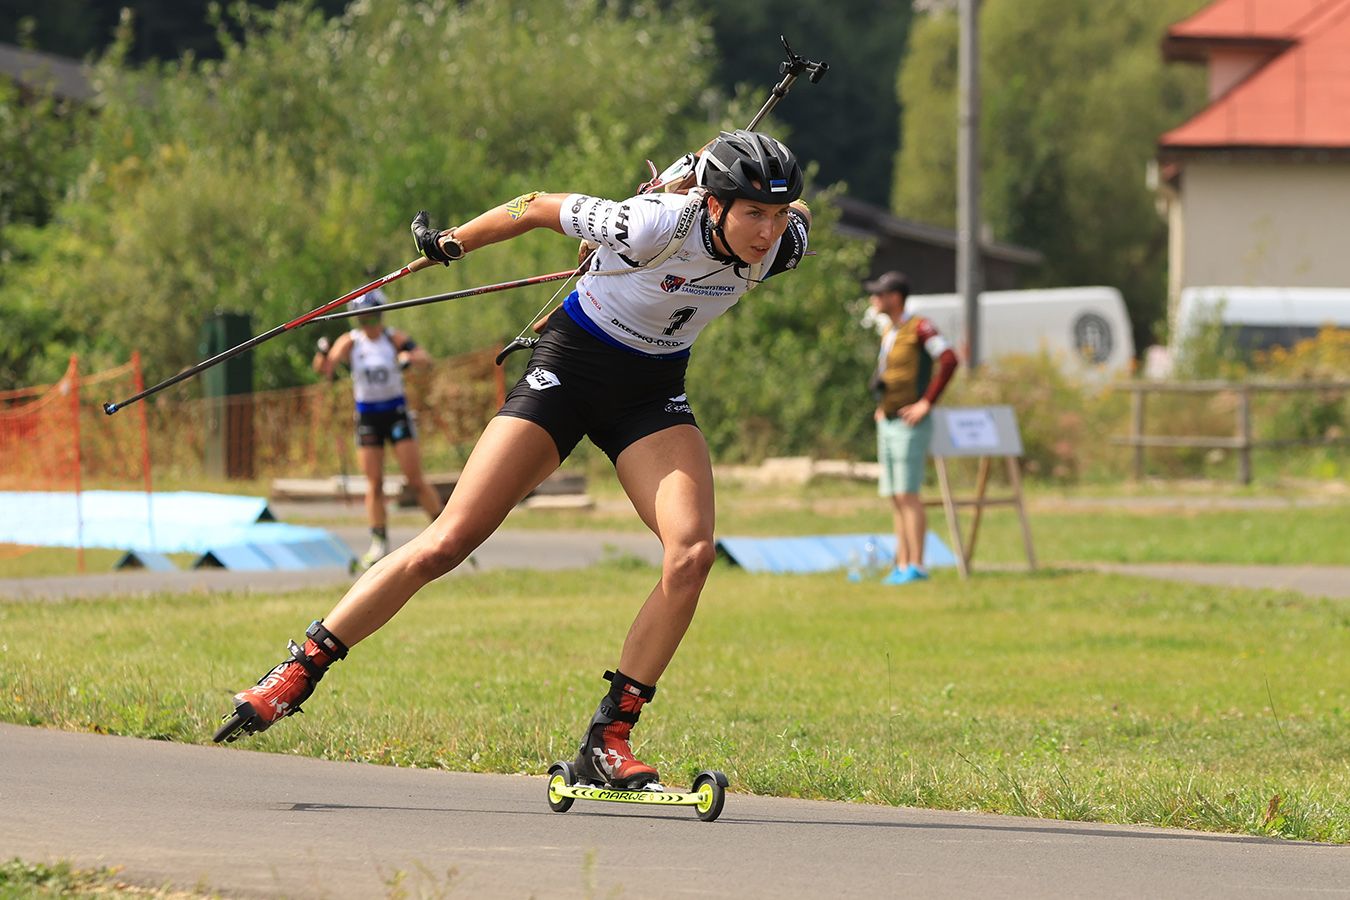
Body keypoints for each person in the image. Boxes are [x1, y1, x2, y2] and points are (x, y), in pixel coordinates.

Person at [216, 130, 813, 791]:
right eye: (753, 213)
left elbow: (797, 217)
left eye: (778, 215)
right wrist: (451, 243)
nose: (767, 232)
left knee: (692, 553)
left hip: (650, 396)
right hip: (572, 368)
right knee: (448, 541)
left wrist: (701, 175)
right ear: (713, 206)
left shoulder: (782, 243)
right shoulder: (646, 224)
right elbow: (532, 205)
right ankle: (299, 670)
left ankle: (609, 739)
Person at [313, 288, 444, 569]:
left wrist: (409, 359)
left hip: (395, 412)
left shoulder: (392, 338)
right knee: (374, 482)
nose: (368, 323)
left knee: (415, 478)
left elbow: (426, 359)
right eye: (362, 318)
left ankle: (444, 530)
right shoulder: (351, 342)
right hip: (368, 416)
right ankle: (378, 541)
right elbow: (324, 368)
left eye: (372, 317)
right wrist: (322, 351)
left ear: (380, 315)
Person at [866, 270, 959, 585]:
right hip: (889, 420)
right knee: (895, 495)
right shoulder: (889, 331)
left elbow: (948, 359)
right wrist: (882, 406)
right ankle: (901, 561)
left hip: (910, 422)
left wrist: (926, 403)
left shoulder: (920, 327)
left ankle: (916, 564)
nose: (874, 299)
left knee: (909, 494)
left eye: (879, 293)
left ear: (894, 297)